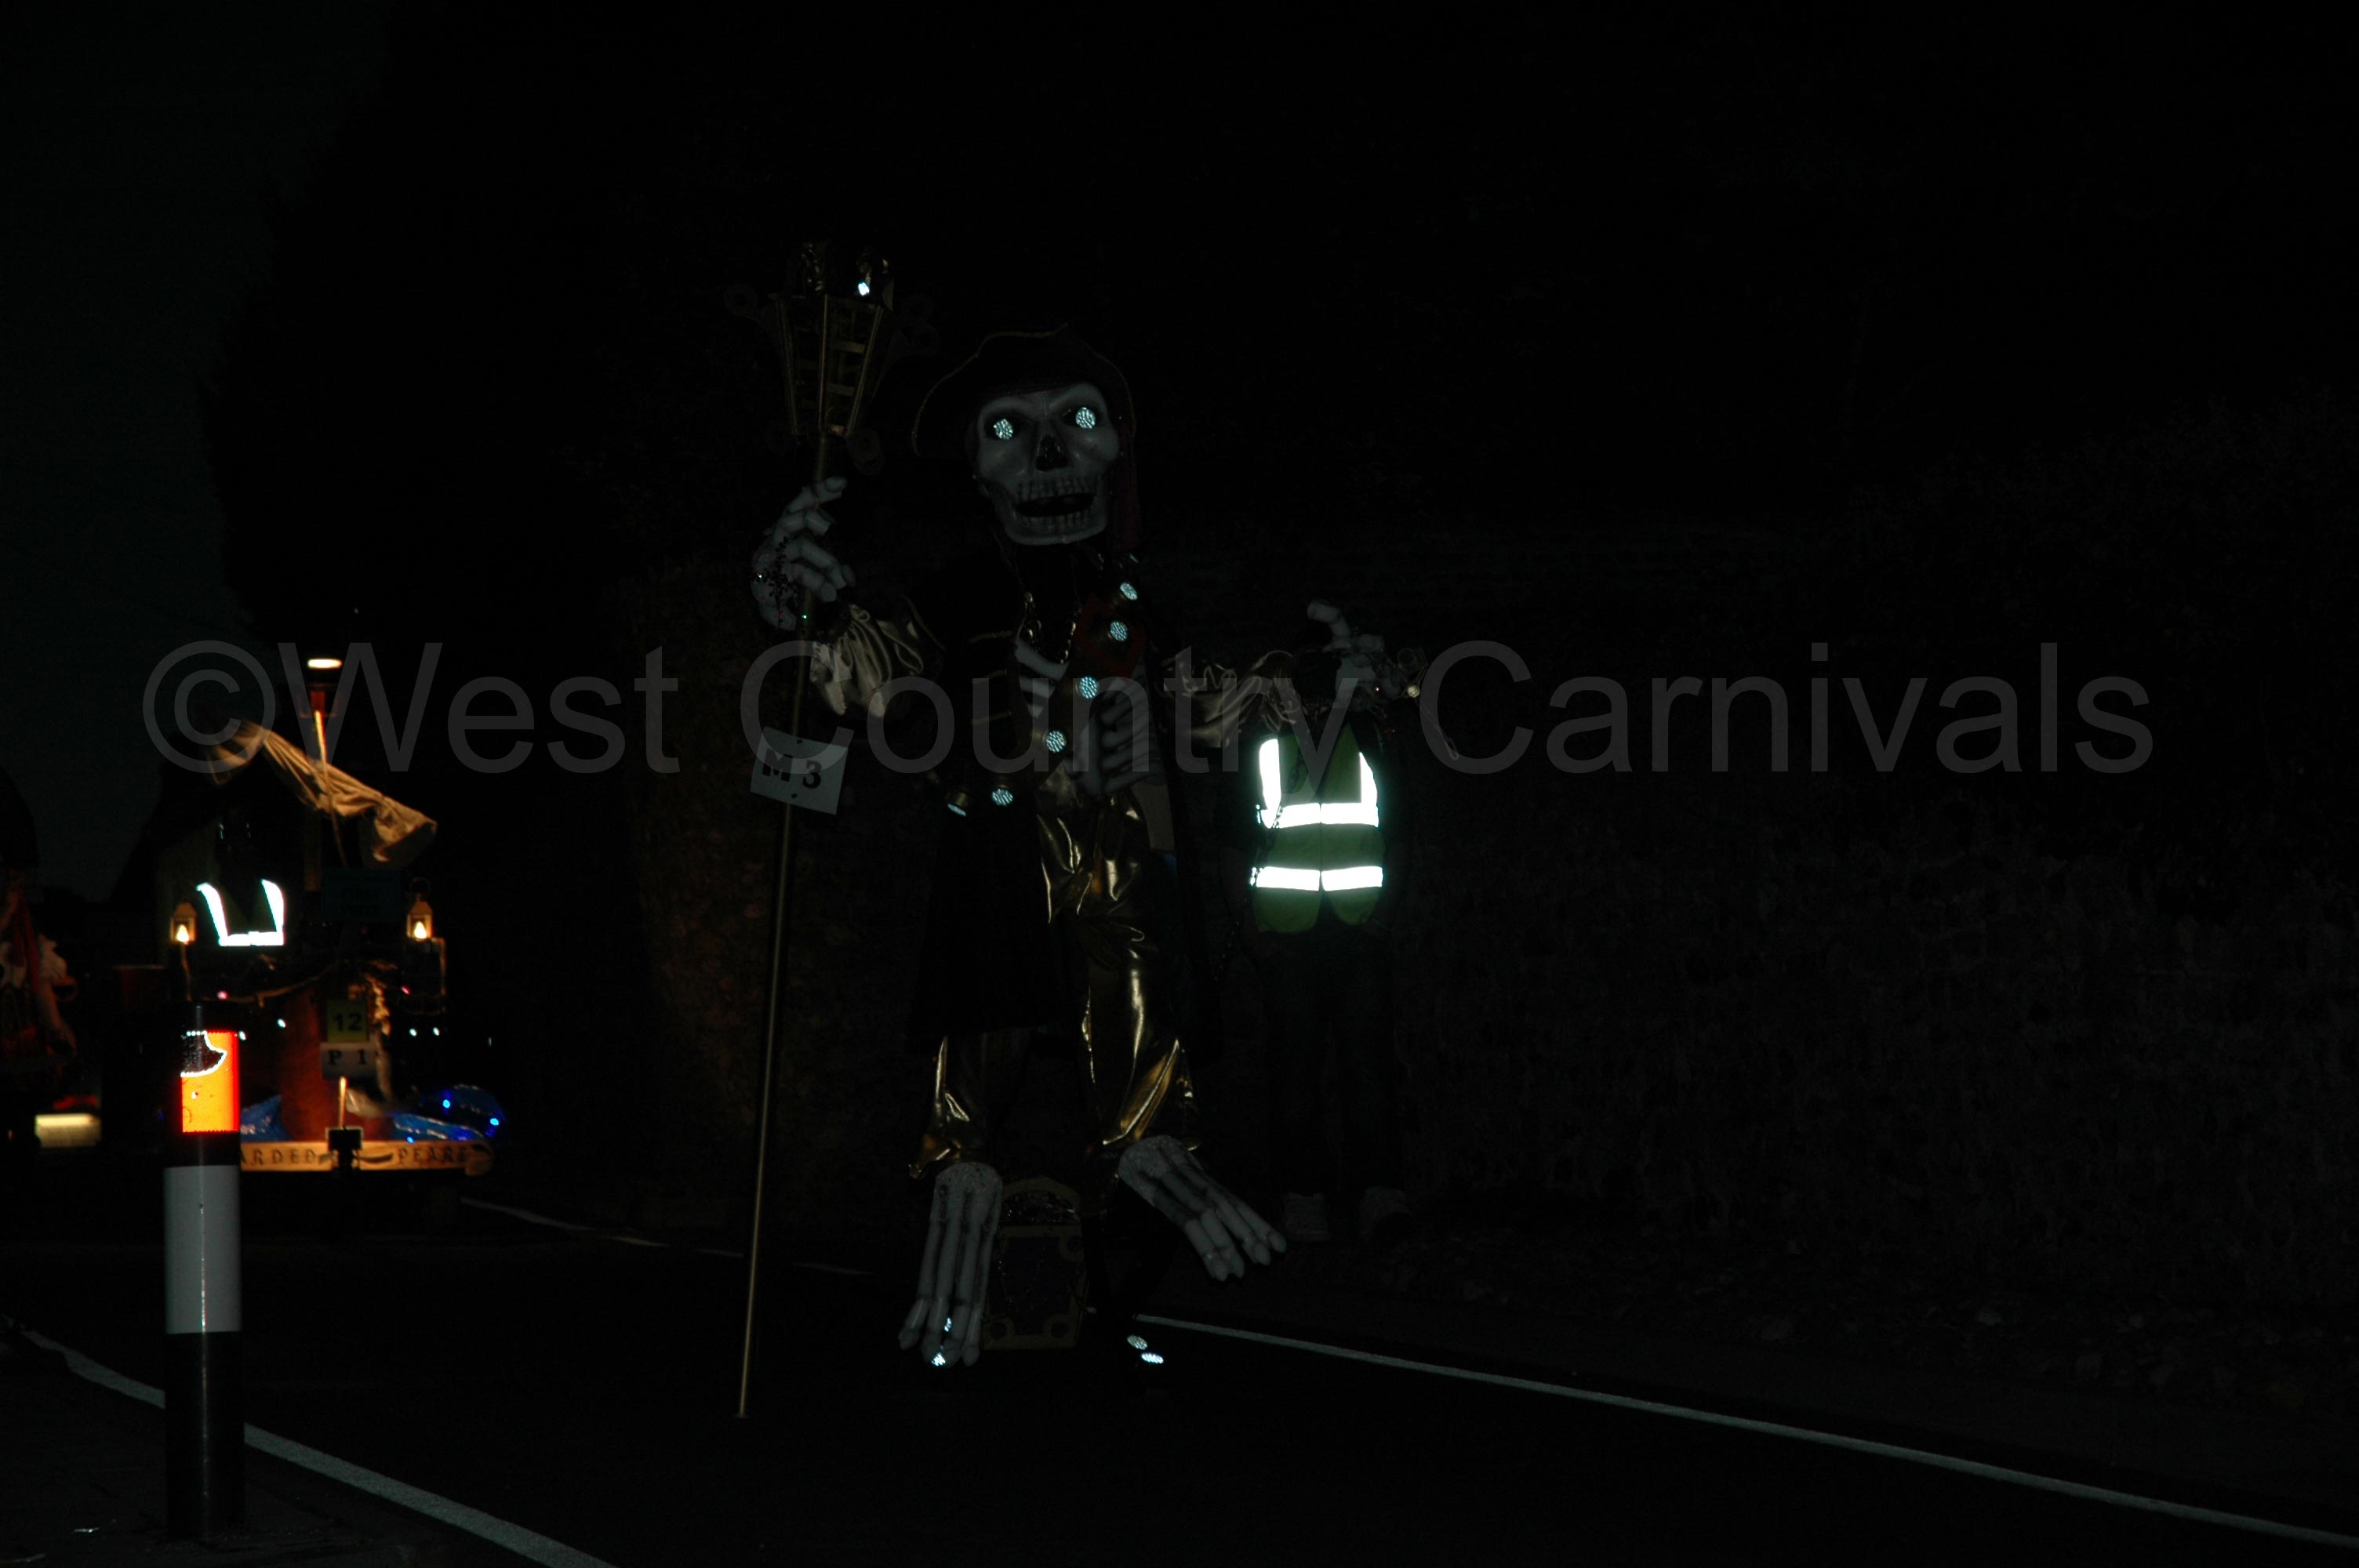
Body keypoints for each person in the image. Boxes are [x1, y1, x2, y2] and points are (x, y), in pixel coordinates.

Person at [753, 325, 1405, 1364]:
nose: (1051, 455)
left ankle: (1107, 1279)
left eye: (1079, 424)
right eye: (1010, 432)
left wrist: (1331, 680)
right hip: (998, 876)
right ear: (975, 468)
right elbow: (856, 671)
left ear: (1116, 451)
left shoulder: (1133, 604)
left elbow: (1215, 701)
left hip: (1122, 875)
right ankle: (978, 1216)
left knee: (1143, 1115)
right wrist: (804, 609)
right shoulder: (957, 601)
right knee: (975, 1095)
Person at [1217, 609, 1416, 1247]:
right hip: (1288, 940)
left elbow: (1400, 829)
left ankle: (1379, 1194)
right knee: (1295, 1076)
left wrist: (1381, 920)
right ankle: (1304, 1198)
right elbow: (1231, 842)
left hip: (1357, 933)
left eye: (1327, 668)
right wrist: (1255, 938)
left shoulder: (1373, 732)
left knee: (1368, 1070)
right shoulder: (1257, 740)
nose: (1317, 682)